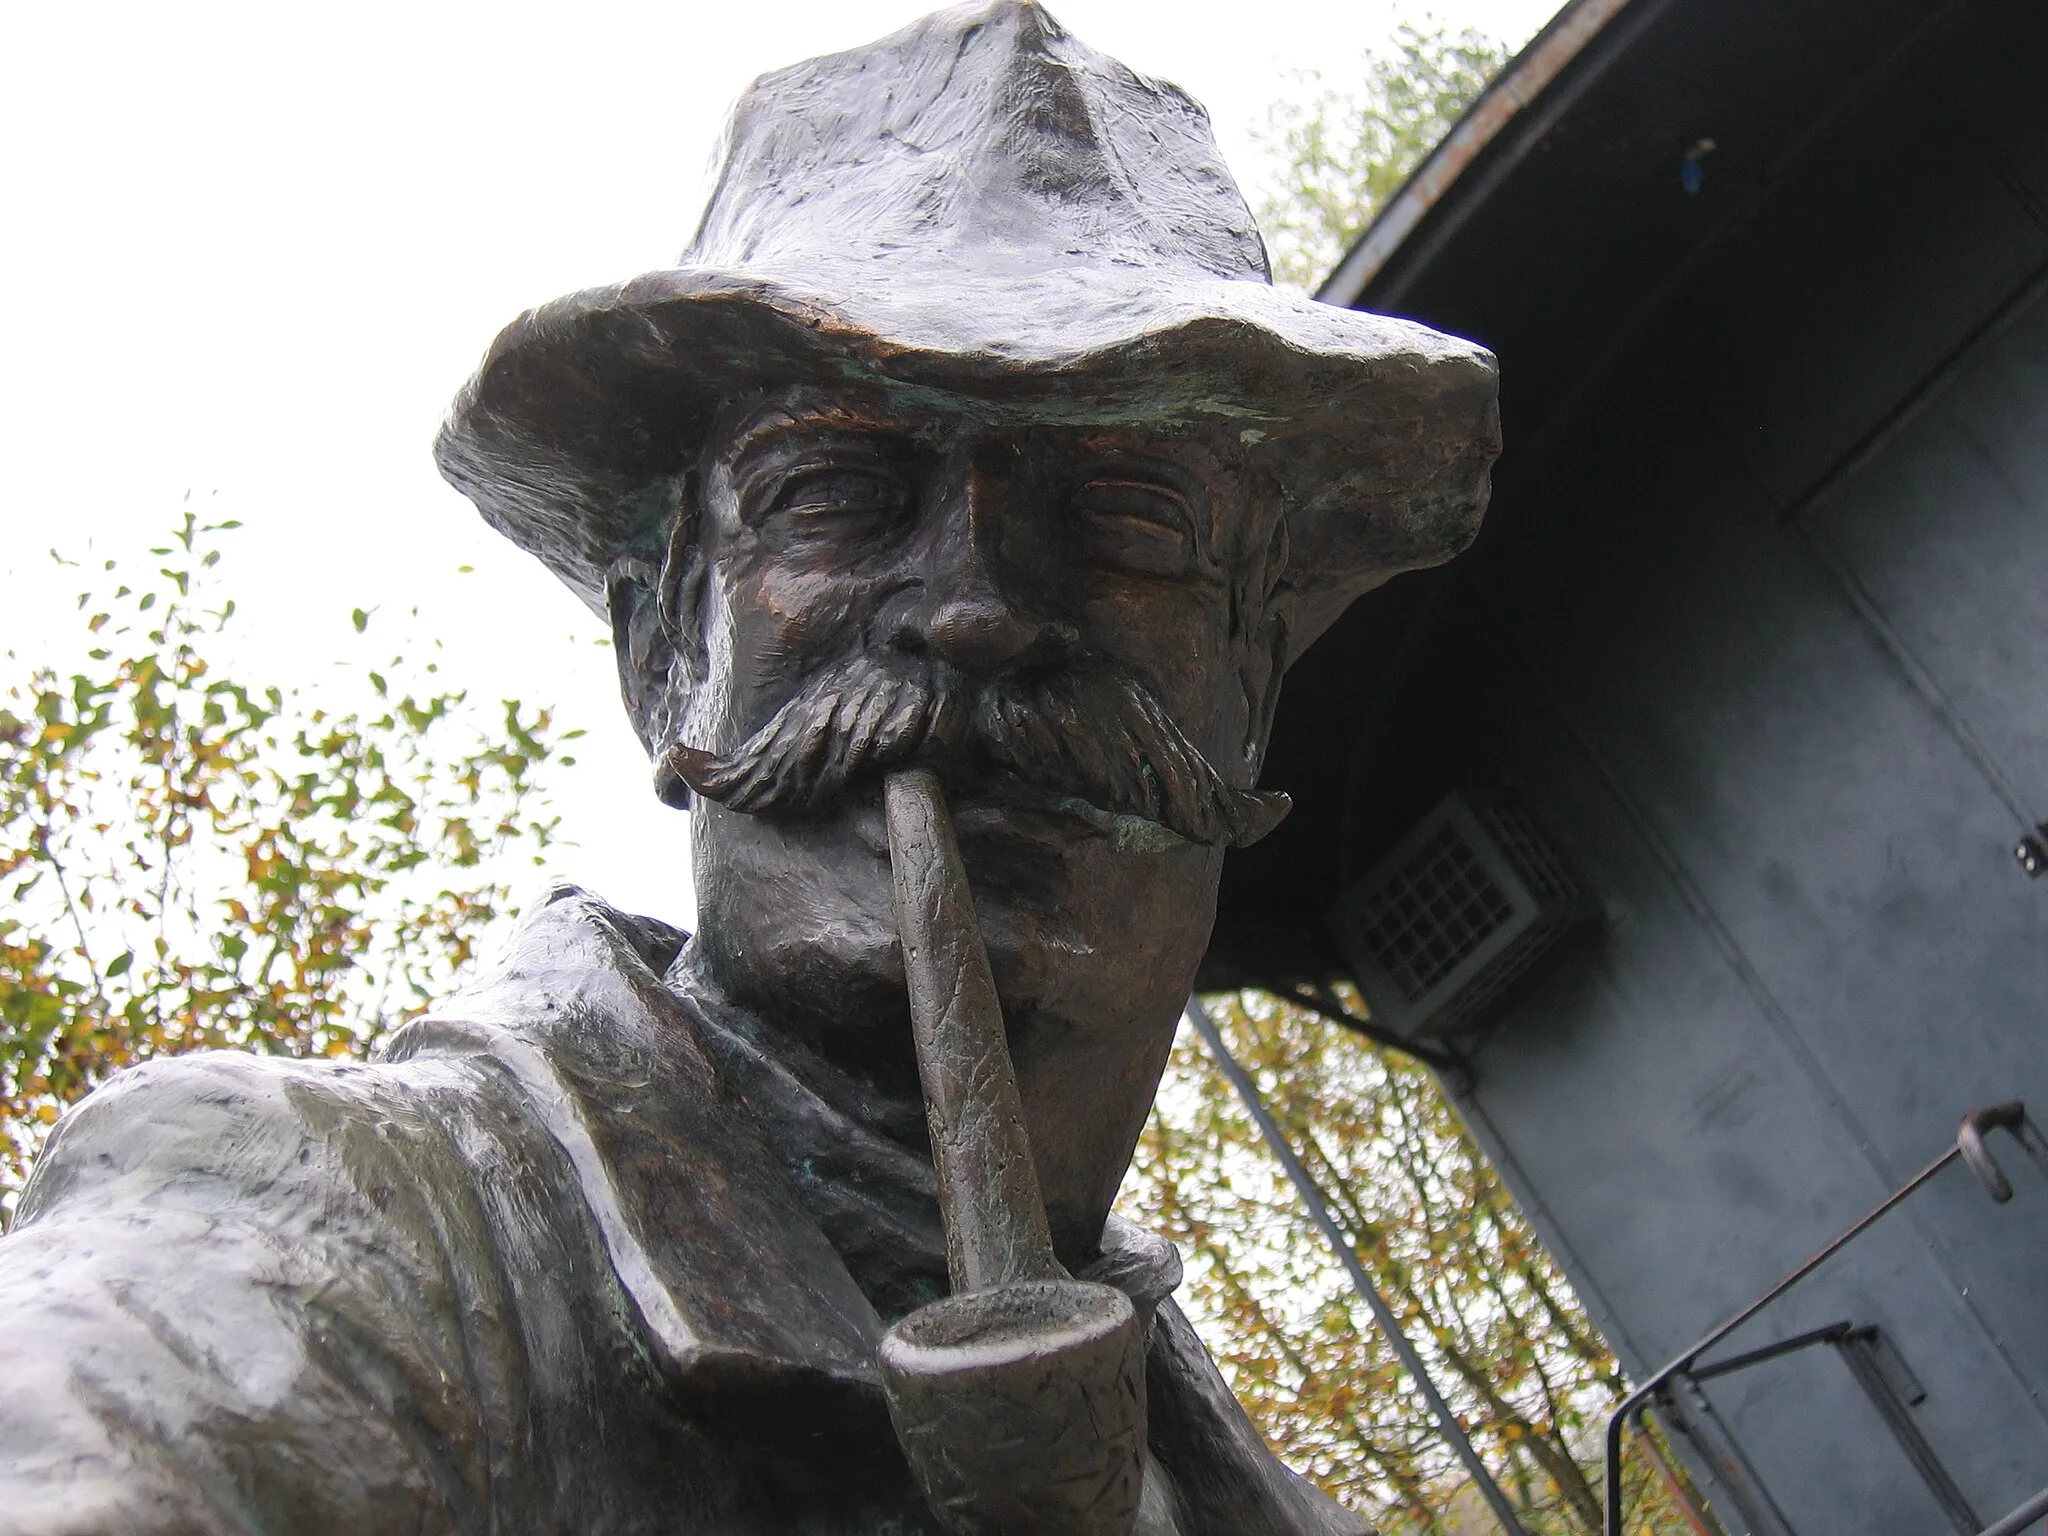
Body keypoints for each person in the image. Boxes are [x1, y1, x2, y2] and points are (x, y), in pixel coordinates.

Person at [0, 4, 1498, 1532]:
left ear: (1250, 680)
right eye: (834, 492)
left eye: (1130, 515)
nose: (976, 608)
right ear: (661, 657)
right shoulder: (322, 1238)